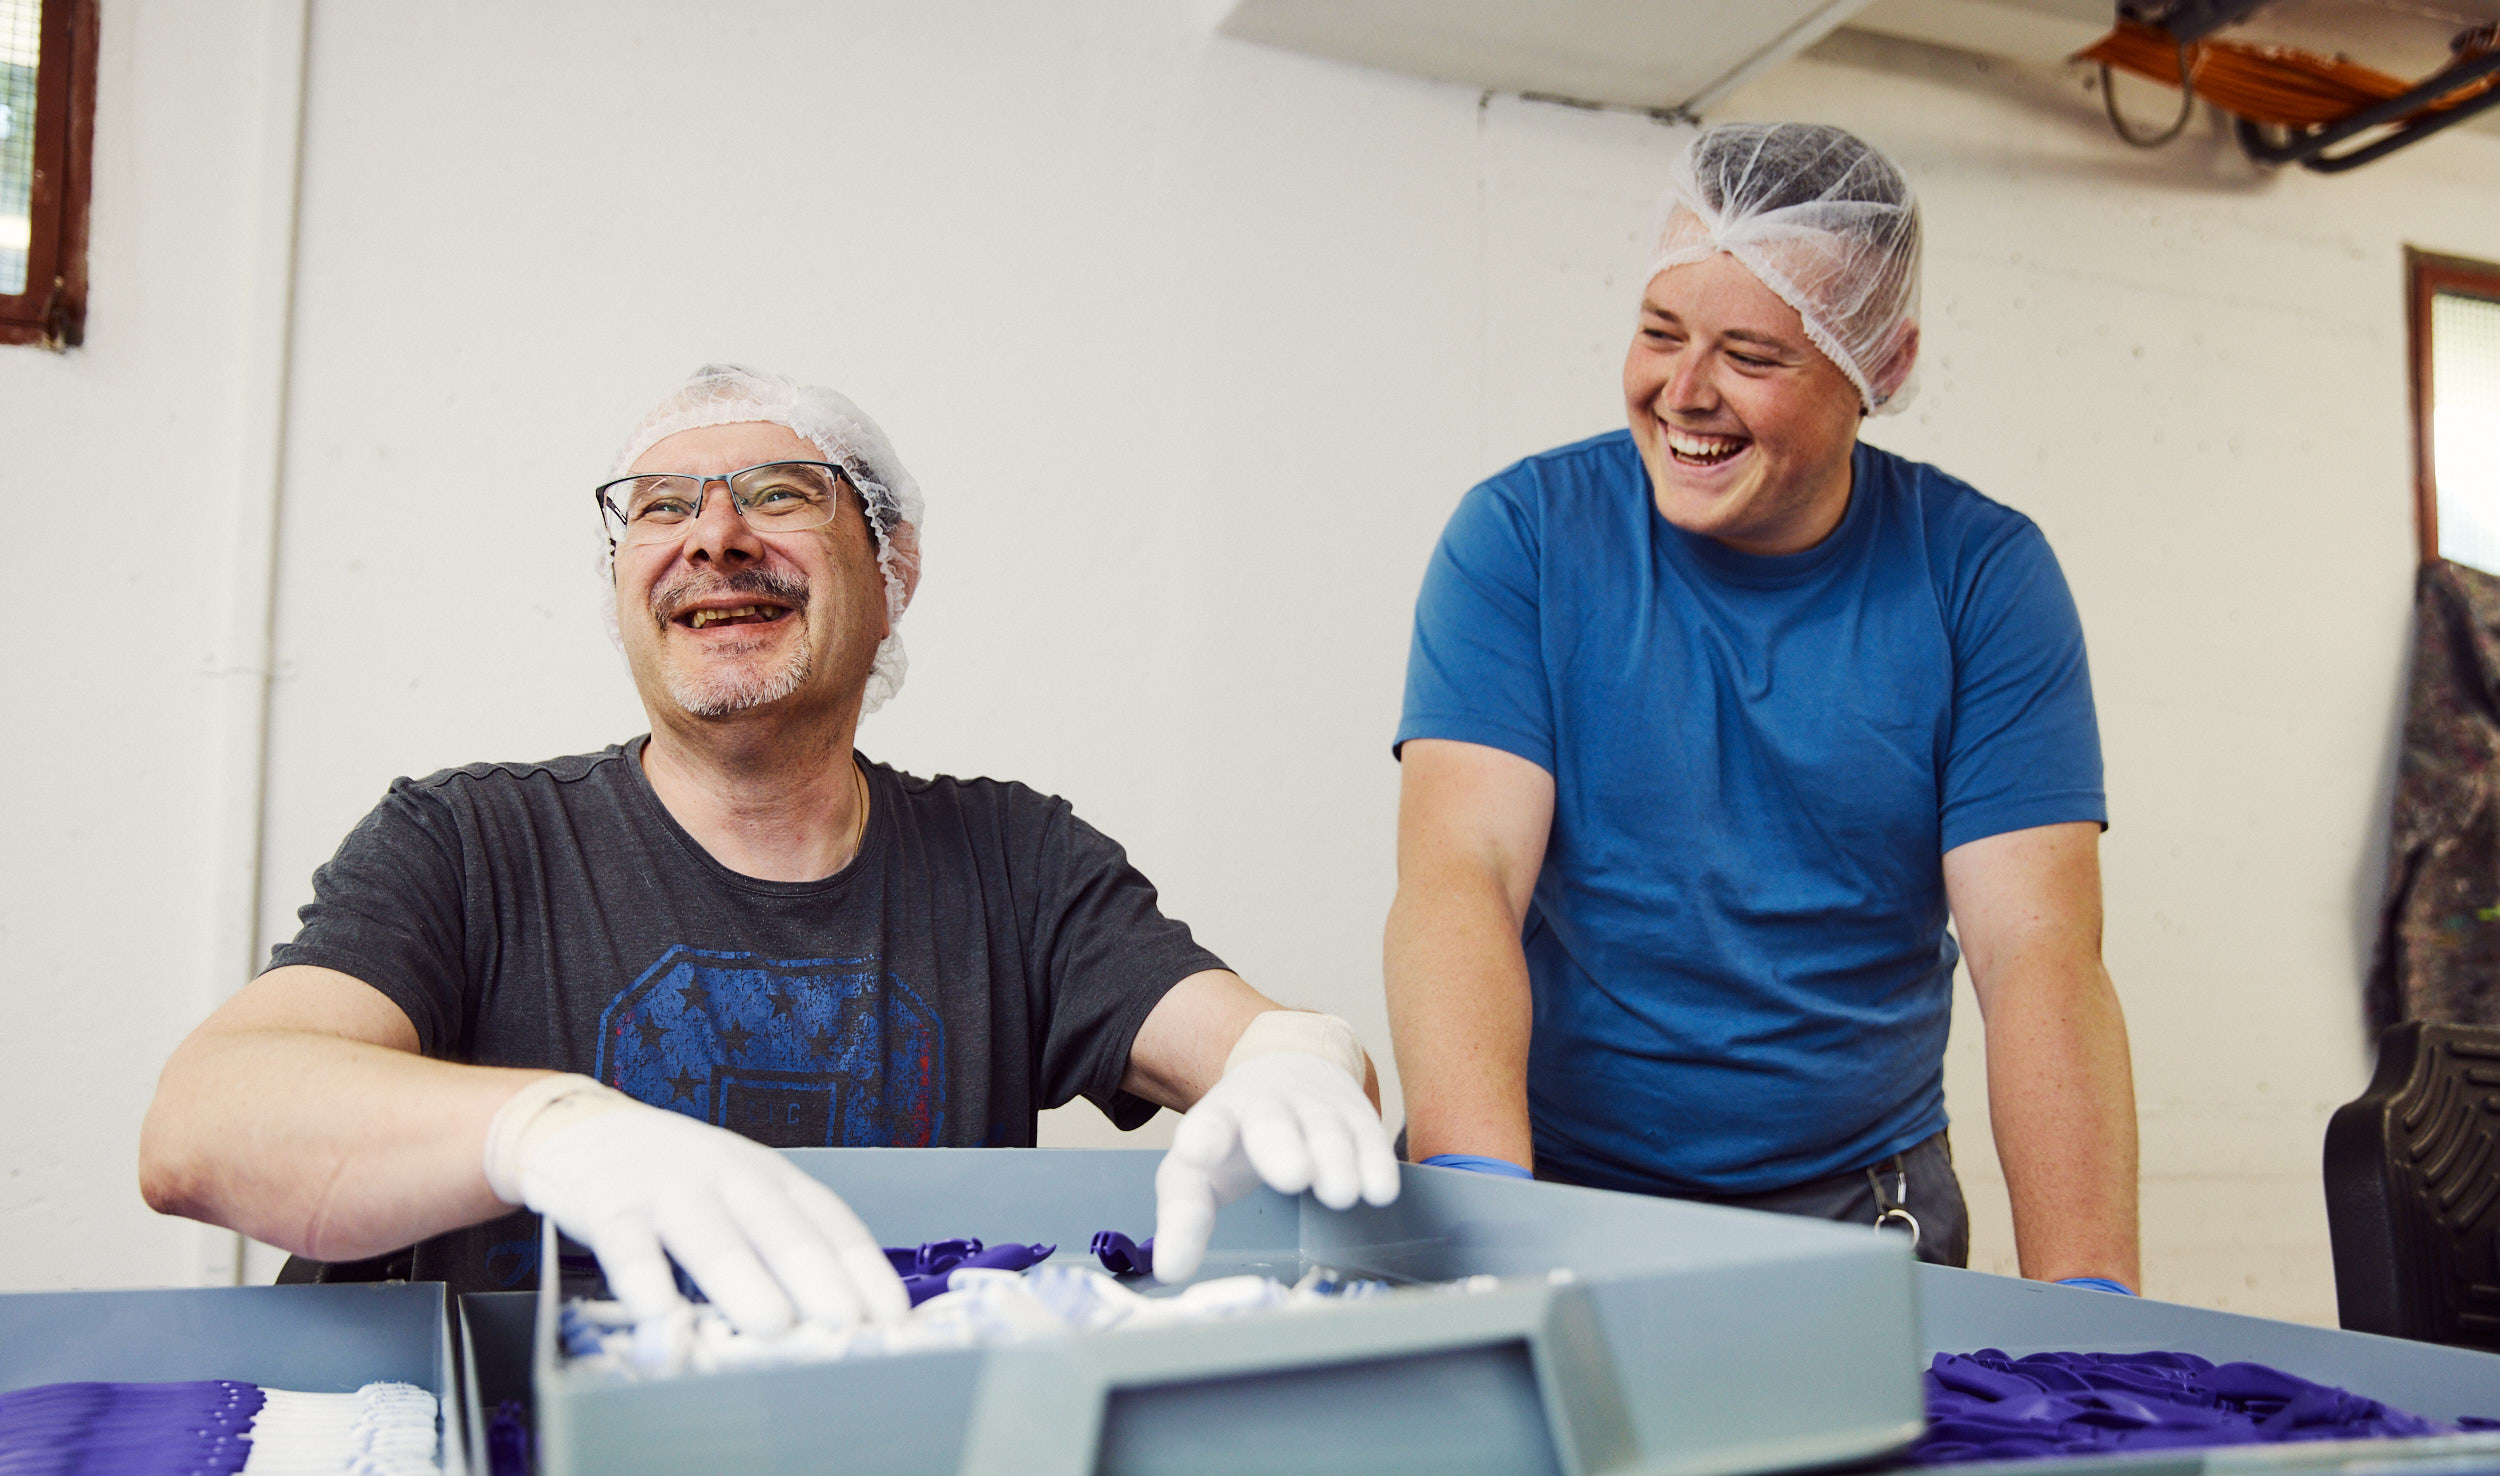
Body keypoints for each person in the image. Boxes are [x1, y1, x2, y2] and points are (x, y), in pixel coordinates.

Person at [141, 364, 1398, 1334]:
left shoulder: (1012, 859)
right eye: (662, 507)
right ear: (624, 579)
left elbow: (1253, 1054)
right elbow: (203, 1126)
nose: (717, 535)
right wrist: (544, 1129)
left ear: (891, 564)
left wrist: (1299, 1057)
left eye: (783, 492)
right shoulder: (466, 842)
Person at [1384, 123, 2139, 1291]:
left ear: (1877, 365)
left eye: (1750, 354)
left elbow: (2035, 949)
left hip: (1854, 1217)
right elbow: (1461, 876)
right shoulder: (1524, 538)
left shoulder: (1981, 577)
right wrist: (1480, 1210)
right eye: (1657, 332)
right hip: (1547, 1179)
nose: (1683, 394)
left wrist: (2091, 1297)